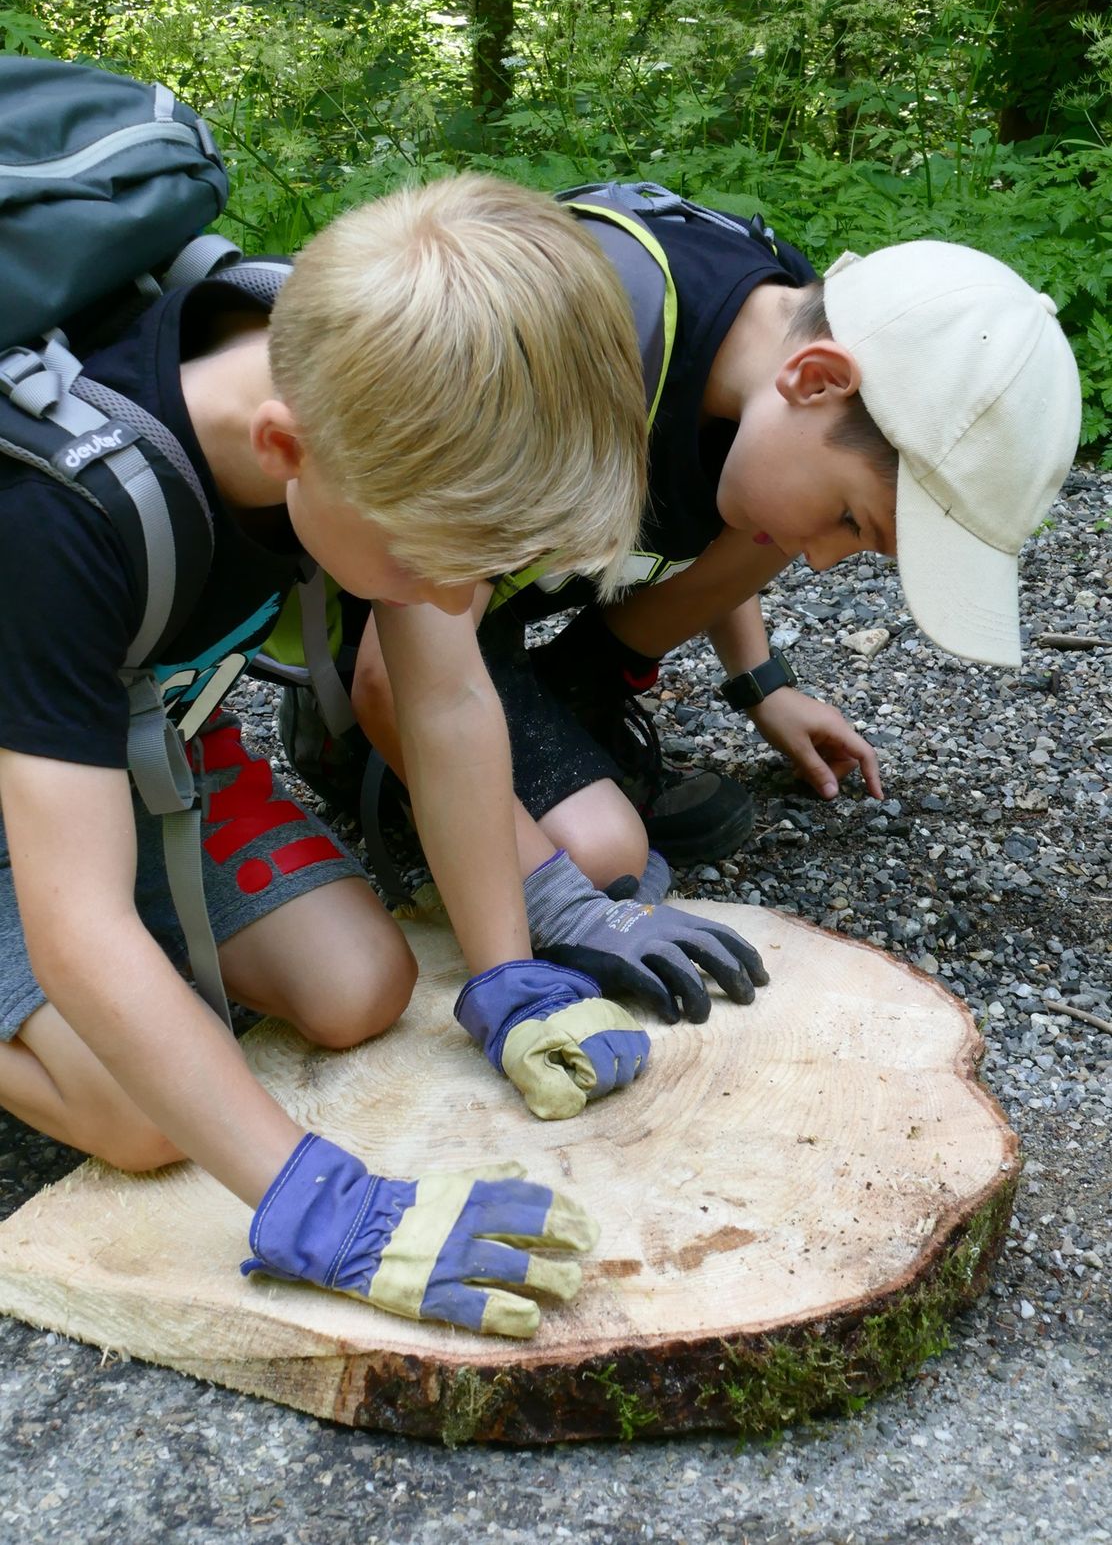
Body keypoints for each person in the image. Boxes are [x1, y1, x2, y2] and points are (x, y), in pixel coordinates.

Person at [0, 174, 764, 1340]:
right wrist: (319, 1202)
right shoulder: (64, 520)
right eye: (436, 561)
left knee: (361, 986)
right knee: (139, 1116)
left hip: (129, 738)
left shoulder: (371, 410)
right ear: (280, 446)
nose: (456, 594)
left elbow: (449, 697)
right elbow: (81, 919)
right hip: (36, 780)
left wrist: (508, 971)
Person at [346, 204, 1081, 920]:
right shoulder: (568, 356)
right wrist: (559, 906)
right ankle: (342, 741)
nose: (823, 560)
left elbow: (739, 479)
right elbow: (390, 676)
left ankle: (568, 697)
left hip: (504, 582)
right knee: (601, 858)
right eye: (851, 519)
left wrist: (762, 683)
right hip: (382, 616)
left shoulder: (783, 314)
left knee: (783, 511)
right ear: (818, 378)